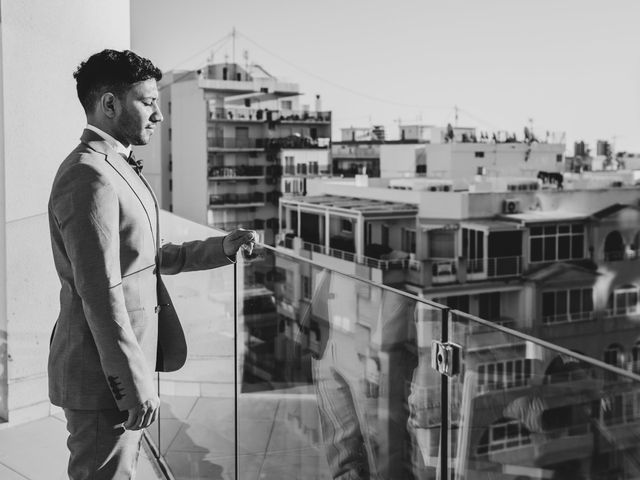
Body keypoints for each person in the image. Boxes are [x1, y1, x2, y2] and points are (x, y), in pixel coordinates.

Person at [47, 49, 256, 480]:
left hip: (121, 368)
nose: (158, 115)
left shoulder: (113, 166)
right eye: (148, 102)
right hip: (103, 379)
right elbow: (101, 294)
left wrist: (223, 247)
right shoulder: (88, 175)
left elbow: (151, 256)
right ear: (109, 104)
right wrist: (133, 385)